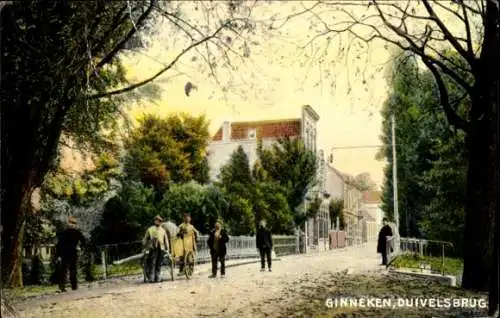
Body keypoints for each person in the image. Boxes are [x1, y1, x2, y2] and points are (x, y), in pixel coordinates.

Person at [55, 216, 86, 292]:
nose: (72, 225)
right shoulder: (64, 233)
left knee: (71, 270)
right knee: (65, 270)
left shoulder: (76, 232)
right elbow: (59, 245)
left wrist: (80, 247)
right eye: (71, 223)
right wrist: (59, 255)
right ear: (68, 223)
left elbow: (84, 241)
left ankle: (72, 286)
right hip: (66, 253)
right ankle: (65, 287)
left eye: (73, 223)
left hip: (71, 253)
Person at [143, 215, 169, 283]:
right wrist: (145, 245)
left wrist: (167, 248)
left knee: (159, 263)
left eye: (159, 221)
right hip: (153, 248)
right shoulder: (150, 229)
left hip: (161, 249)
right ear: (154, 221)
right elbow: (145, 239)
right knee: (152, 262)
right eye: (156, 220)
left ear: (161, 222)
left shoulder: (163, 230)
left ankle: (157, 277)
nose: (158, 222)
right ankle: (152, 277)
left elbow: (166, 240)